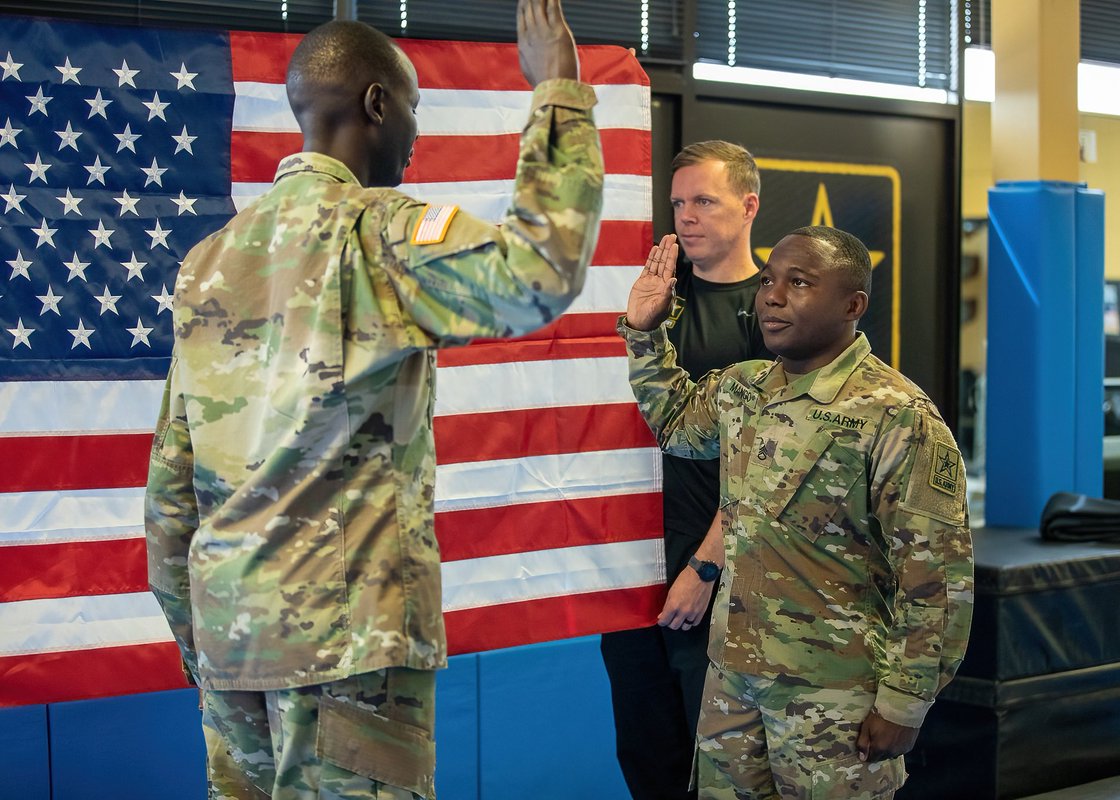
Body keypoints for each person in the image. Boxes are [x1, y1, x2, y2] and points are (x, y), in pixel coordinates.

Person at [143, 3, 603, 798]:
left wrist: (203, 642)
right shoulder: (381, 232)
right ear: (377, 104)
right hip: (347, 648)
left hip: (232, 645)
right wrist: (558, 88)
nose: (417, 137)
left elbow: (170, 486)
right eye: (415, 109)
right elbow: (539, 272)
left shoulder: (209, 261)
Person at [619, 227, 973, 799]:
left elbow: (936, 581)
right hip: (733, 683)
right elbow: (678, 426)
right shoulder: (746, 388)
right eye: (767, 281)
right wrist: (645, 331)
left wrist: (905, 704)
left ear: (853, 305)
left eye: (799, 283)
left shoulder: (898, 417)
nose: (772, 297)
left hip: (835, 698)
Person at [600, 141, 772, 800]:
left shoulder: (772, 310)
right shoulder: (654, 300)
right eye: (678, 202)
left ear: (748, 205)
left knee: (723, 780)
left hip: (721, 583)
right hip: (636, 577)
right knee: (650, 767)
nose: (687, 216)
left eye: (705, 200)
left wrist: (706, 567)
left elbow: (767, 467)